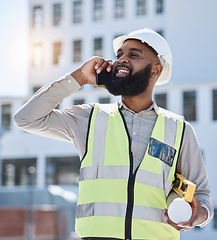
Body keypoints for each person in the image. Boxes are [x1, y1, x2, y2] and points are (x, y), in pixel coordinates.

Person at [14, 28, 213, 240]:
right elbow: (26, 118)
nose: (122, 60)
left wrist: (198, 215)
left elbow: (202, 197)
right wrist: (79, 77)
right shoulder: (90, 118)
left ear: (156, 70)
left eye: (133, 55)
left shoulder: (179, 130)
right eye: (119, 55)